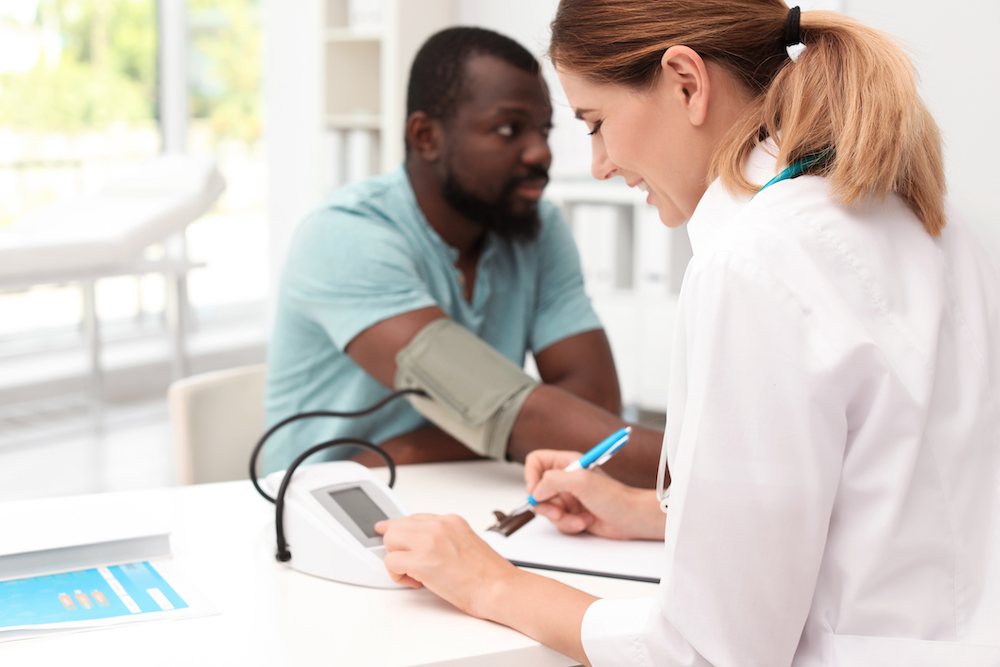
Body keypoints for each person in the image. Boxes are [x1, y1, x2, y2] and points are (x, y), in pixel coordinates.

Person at [375, 2, 1000, 666]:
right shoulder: (933, 221)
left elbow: (706, 653)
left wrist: (490, 581)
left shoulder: (754, 264)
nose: (600, 164)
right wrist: (654, 512)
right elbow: (891, 500)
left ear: (686, 82)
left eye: (596, 123)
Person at [264, 26, 664, 487]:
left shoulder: (537, 227)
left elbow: (592, 400)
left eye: (543, 130)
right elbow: (510, 415)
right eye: (508, 129)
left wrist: (412, 449)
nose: (540, 152)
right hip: (324, 504)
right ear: (426, 136)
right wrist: (705, 476)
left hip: (443, 481)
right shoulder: (344, 236)